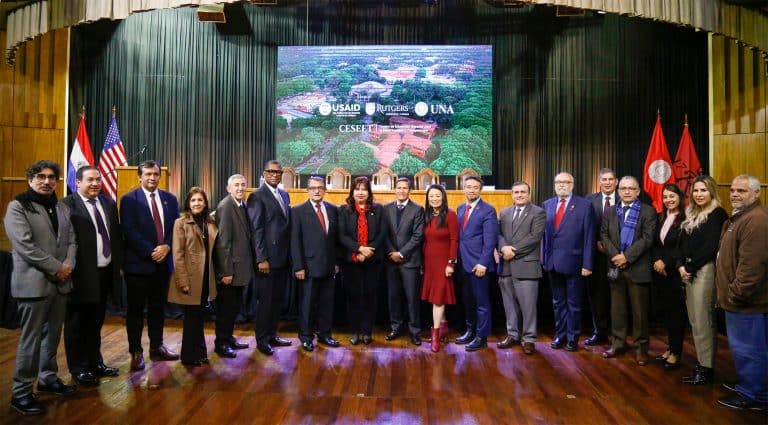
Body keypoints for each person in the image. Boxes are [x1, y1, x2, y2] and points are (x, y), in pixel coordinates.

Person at [5, 160, 77, 415]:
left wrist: (68, 264)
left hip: (60, 285)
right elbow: (25, 246)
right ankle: (21, 392)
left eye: (51, 177)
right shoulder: (17, 207)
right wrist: (57, 268)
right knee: (30, 341)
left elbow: (71, 241)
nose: (47, 181)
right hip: (33, 286)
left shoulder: (61, 207)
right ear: (30, 179)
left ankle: (48, 378)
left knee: (52, 337)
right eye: (41, 176)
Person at [62, 166, 121, 387]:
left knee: (95, 323)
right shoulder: (67, 206)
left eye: (98, 179)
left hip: (104, 273)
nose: (95, 183)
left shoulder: (108, 203)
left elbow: (114, 237)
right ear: (78, 182)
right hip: (79, 275)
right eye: (90, 180)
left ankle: (95, 362)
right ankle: (78, 368)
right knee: (76, 324)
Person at [120, 160, 180, 371]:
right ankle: (136, 351)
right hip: (138, 266)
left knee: (158, 309)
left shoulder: (170, 199)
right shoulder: (129, 200)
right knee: (135, 311)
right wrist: (152, 251)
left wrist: (167, 247)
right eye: (148, 174)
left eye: (155, 174)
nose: (152, 178)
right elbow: (128, 230)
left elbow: (176, 228)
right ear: (139, 176)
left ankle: (157, 347)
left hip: (163, 265)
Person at [716, 174, 768, 411]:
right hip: (738, 301)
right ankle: (750, 385)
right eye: (733, 190)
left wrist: (735, 294)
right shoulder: (741, 217)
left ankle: (755, 396)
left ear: (757, 193)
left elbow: (752, 267)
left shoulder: (757, 220)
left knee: (750, 350)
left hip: (747, 303)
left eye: (742, 191)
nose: (735, 194)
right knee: (746, 350)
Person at [599, 176, 657, 366]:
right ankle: (618, 343)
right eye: (623, 188)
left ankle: (641, 349)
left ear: (638, 191)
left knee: (640, 313)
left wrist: (627, 257)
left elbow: (648, 239)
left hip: (637, 268)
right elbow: (604, 235)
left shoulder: (648, 211)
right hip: (615, 267)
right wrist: (616, 255)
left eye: (631, 188)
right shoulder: (610, 211)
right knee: (617, 311)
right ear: (618, 190)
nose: (626, 191)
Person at [677, 175, 728, 385]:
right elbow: (680, 244)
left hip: (704, 270)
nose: (699, 194)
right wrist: (680, 265)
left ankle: (706, 369)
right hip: (687, 270)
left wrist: (689, 266)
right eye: (696, 190)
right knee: (695, 320)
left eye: (703, 190)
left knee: (704, 321)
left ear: (712, 192)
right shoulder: (690, 213)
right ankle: (701, 364)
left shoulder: (717, 214)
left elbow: (711, 247)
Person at [542, 172, 595, 352]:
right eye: (558, 182)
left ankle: (572, 338)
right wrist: (544, 259)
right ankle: (560, 335)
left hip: (575, 264)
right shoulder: (547, 205)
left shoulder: (584, 205)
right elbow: (546, 236)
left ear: (572, 184)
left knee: (574, 304)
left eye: (566, 182)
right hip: (553, 264)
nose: (562, 185)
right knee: (558, 303)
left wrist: (587, 264)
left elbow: (589, 237)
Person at [168, 187, 219, 367]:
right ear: (188, 204)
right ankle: (189, 357)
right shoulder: (180, 223)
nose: (197, 203)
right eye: (193, 200)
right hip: (190, 278)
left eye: (200, 200)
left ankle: (200, 353)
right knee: (191, 319)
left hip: (206, 277)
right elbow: (177, 254)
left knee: (199, 317)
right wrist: (183, 281)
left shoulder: (210, 223)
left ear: (205, 203)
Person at [290, 176, 341, 352]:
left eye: (320, 188)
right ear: (308, 190)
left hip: (328, 266)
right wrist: (298, 266)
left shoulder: (333, 210)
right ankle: (305, 337)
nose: (317, 191)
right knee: (307, 304)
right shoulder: (297, 211)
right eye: (313, 188)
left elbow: (334, 240)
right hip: (308, 267)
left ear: (324, 190)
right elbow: (295, 241)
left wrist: (335, 262)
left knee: (327, 303)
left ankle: (325, 335)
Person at [247, 160, 292, 355]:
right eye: (270, 172)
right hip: (267, 260)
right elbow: (256, 229)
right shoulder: (257, 196)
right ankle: (262, 339)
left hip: (282, 258)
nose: (274, 174)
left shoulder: (284, 194)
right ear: (263, 173)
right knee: (266, 301)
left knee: (277, 300)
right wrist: (261, 258)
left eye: (277, 172)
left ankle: (272, 333)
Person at [497, 181, 546, 355]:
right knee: (509, 304)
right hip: (506, 266)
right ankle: (512, 335)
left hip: (526, 265)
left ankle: (529, 338)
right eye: (516, 192)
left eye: (523, 192)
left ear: (529, 193)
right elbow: (499, 234)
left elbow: (535, 237)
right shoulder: (504, 212)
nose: (519, 195)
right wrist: (503, 248)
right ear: (512, 194)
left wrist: (512, 251)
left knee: (528, 306)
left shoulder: (538, 212)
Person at [338, 176, 387, 345]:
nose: (360, 192)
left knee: (369, 296)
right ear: (352, 191)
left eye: (364, 189)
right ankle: (354, 331)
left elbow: (382, 234)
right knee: (353, 297)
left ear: (369, 192)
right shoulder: (344, 210)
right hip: (351, 261)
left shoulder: (378, 209)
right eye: (357, 189)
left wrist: (368, 252)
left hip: (372, 261)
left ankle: (366, 331)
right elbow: (342, 236)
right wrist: (358, 249)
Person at [456, 176, 498, 352]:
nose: (471, 190)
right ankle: (470, 331)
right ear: (464, 189)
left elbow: (490, 241)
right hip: (463, 264)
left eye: (475, 187)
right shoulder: (460, 208)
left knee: (482, 303)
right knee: (468, 301)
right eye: (468, 187)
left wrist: (483, 263)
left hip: (479, 265)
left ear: (480, 190)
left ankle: (481, 337)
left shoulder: (488, 210)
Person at [212, 174, 252, 358]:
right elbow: (223, 244)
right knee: (226, 309)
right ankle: (221, 343)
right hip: (230, 271)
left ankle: (228, 338)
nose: (240, 188)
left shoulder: (241, 205)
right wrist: (226, 272)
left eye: (243, 185)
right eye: (236, 185)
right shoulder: (226, 207)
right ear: (228, 188)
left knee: (233, 308)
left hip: (240, 269)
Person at [384, 177, 425, 346]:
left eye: (404, 188)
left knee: (412, 298)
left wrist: (401, 253)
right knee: (393, 297)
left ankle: (415, 331)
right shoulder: (386, 209)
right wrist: (391, 252)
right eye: (398, 187)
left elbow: (418, 236)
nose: (401, 190)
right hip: (390, 261)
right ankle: (395, 327)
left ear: (410, 190)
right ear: (394, 189)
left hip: (410, 261)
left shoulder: (417, 209)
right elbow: (383, 234)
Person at [651, 183, 687, 370]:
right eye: (665, 197)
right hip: (660, 273)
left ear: (680, 197)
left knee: (676, 315)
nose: (668, 200)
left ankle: (676, 352)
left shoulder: (686, 218)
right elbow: (656, 243)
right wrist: (657, 260)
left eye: (672, 196)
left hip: (675, 272)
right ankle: (670, 348)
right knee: (666, 313)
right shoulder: (661, 217)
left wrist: (665, 262)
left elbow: (681, 247)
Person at [420, 184, 459, 353]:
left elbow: (454, 240)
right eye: (431, 196)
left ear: (443, 197)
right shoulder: (426, 215)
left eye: (437, 196)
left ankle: (435, 335)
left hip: (444, 264)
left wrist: (451, 263)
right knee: (437, 297)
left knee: (438, 299)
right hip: (429, 264)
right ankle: (443, 328)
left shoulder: (450, 215)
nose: (434, 199)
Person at [584, 168, 619, 345]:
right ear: (599, 182)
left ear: (616, 182)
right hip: (596, 256)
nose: (607, 182)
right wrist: (597, 242)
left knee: (619, 297)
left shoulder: (625, 198)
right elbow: (585, 226)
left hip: (620, 257)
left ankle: (619, 335)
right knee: (597, 296)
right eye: (604, 179)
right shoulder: (589, 200)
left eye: (610, 179)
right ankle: (599, 331)